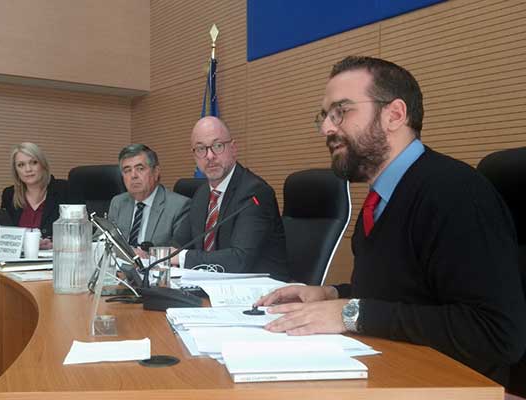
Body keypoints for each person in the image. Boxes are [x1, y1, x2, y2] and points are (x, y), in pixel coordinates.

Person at [256, 56, 526, 385]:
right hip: (392, 372)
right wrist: (330, 294)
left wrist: (350, 313)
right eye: (324, 116)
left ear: (394, 115)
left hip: (449, 385)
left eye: (340, 111)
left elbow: (497, 333)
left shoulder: (456, 194)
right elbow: (402, 294)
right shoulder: (383, 198)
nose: (327, 128)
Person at [172, 116, 289, 281]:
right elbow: (178, 245)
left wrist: (182, 258)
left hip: (261, 290)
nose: (209, 156)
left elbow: (239, 259)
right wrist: (151, 255)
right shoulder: (202, 194)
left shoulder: (255, 193)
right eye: (201, 149)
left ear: (233, 149)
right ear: (194, 156)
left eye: (217, 146)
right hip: (215, 286)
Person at [108, 144, 190, 251]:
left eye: (140, 169)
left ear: (156, 172)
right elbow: (101, 241)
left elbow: (177, 251)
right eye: (127, 170)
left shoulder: (179, 206)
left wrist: (148, 255)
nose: (133, 175)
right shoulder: (118, 203)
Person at [1, 142, 68, 247]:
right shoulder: (9, 195)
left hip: (55, 255)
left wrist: (53, 244)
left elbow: (80, 233)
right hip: (20, 256)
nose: (28, 169)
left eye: (34, 163)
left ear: (43, 165)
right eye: (21, 165)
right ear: (16, 170)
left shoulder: (65, 190)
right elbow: (5, 234)